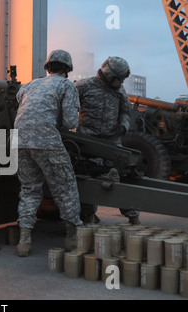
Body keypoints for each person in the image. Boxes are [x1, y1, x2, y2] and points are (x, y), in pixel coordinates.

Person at [14, 49, 84, 257]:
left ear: (47, 67)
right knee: (65, 187)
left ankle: (24, 241)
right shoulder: (65, 86)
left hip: (19, 140)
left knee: (29, 189)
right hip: (46, 140)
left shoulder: (30, 85)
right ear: (68, 70)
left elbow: (21, 100)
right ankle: (72, 236)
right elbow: (71, 122)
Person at [75, 56, 141, 225]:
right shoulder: (84, 86)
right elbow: (68, 105)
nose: (120, 82)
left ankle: (132, 215)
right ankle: (88, 214)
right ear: (108, 74)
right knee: (87, 180)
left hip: (112, 142)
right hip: (88, 142)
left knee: (121, 178)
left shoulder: (119, 91)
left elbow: (126, 112)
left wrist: (124, 127)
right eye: (118, 79)